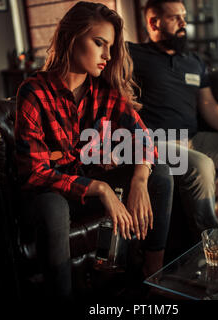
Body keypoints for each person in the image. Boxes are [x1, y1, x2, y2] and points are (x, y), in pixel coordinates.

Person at [14, 1, 173, 299]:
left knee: (160, 174)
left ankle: (154, 278)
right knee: (52, 207)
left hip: (86, 186)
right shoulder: (33, 92)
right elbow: (35, 173)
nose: (107, 55)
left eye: (110, 46)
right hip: (51, 195)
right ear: (71, 38)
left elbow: (144, 137)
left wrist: (139, 179)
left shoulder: (104, 91)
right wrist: (100, 188)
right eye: (99, 43)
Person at [128, 0, 218, 240]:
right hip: (157, 144)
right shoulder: (134, 55)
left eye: (184, 16)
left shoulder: (193, 61)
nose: (184, 23)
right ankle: (210, 240)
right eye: (176, 17)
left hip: (194, 139)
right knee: (202, 165)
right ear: (154, 22)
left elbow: (208, 105)